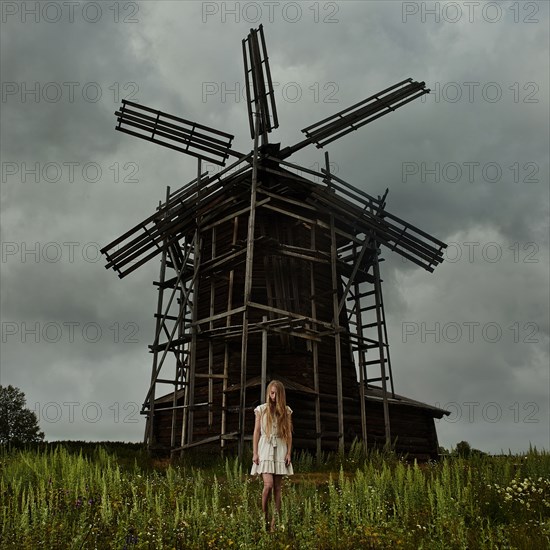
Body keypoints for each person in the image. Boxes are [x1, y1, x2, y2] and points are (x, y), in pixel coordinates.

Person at [251, 379, 293, 531]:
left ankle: (274, 523)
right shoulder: (261, 410)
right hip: (265, 447)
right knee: (267, 485)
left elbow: (288, 433)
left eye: (275, 393)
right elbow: (256, 432)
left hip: (280, 447)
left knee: (277, 488)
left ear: (280, 394)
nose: (272, 396)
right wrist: (255, 452)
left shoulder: (286, 411)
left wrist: (288, 452)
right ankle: (264, 517)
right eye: (271, 392)